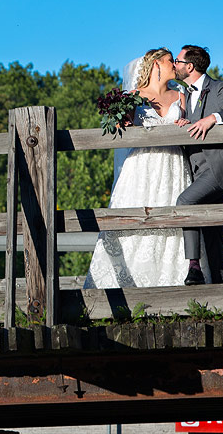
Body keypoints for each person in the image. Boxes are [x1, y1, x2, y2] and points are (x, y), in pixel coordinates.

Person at [84, 48, 206, 289]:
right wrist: (123, 121)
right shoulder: (133, 96)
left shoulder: (180, 95)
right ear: (156, 64)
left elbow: (190, 128)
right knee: (133, 222)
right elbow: (120, 132)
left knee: (174, 222)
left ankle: (175, 284)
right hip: (141, 167)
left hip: (172, 164)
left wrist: (185, 125)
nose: (176, 65)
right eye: (171, 61)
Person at [172, 44, 223, 285]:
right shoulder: (185, 93)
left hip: (219, 167)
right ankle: (221, 287)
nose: (175, 65)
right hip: (198, 169)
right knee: (211, 231)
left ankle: (194, 268)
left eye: (177, 61)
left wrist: (214, 118)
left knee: (185, 201)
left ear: (190, 66)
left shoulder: (218, 88)